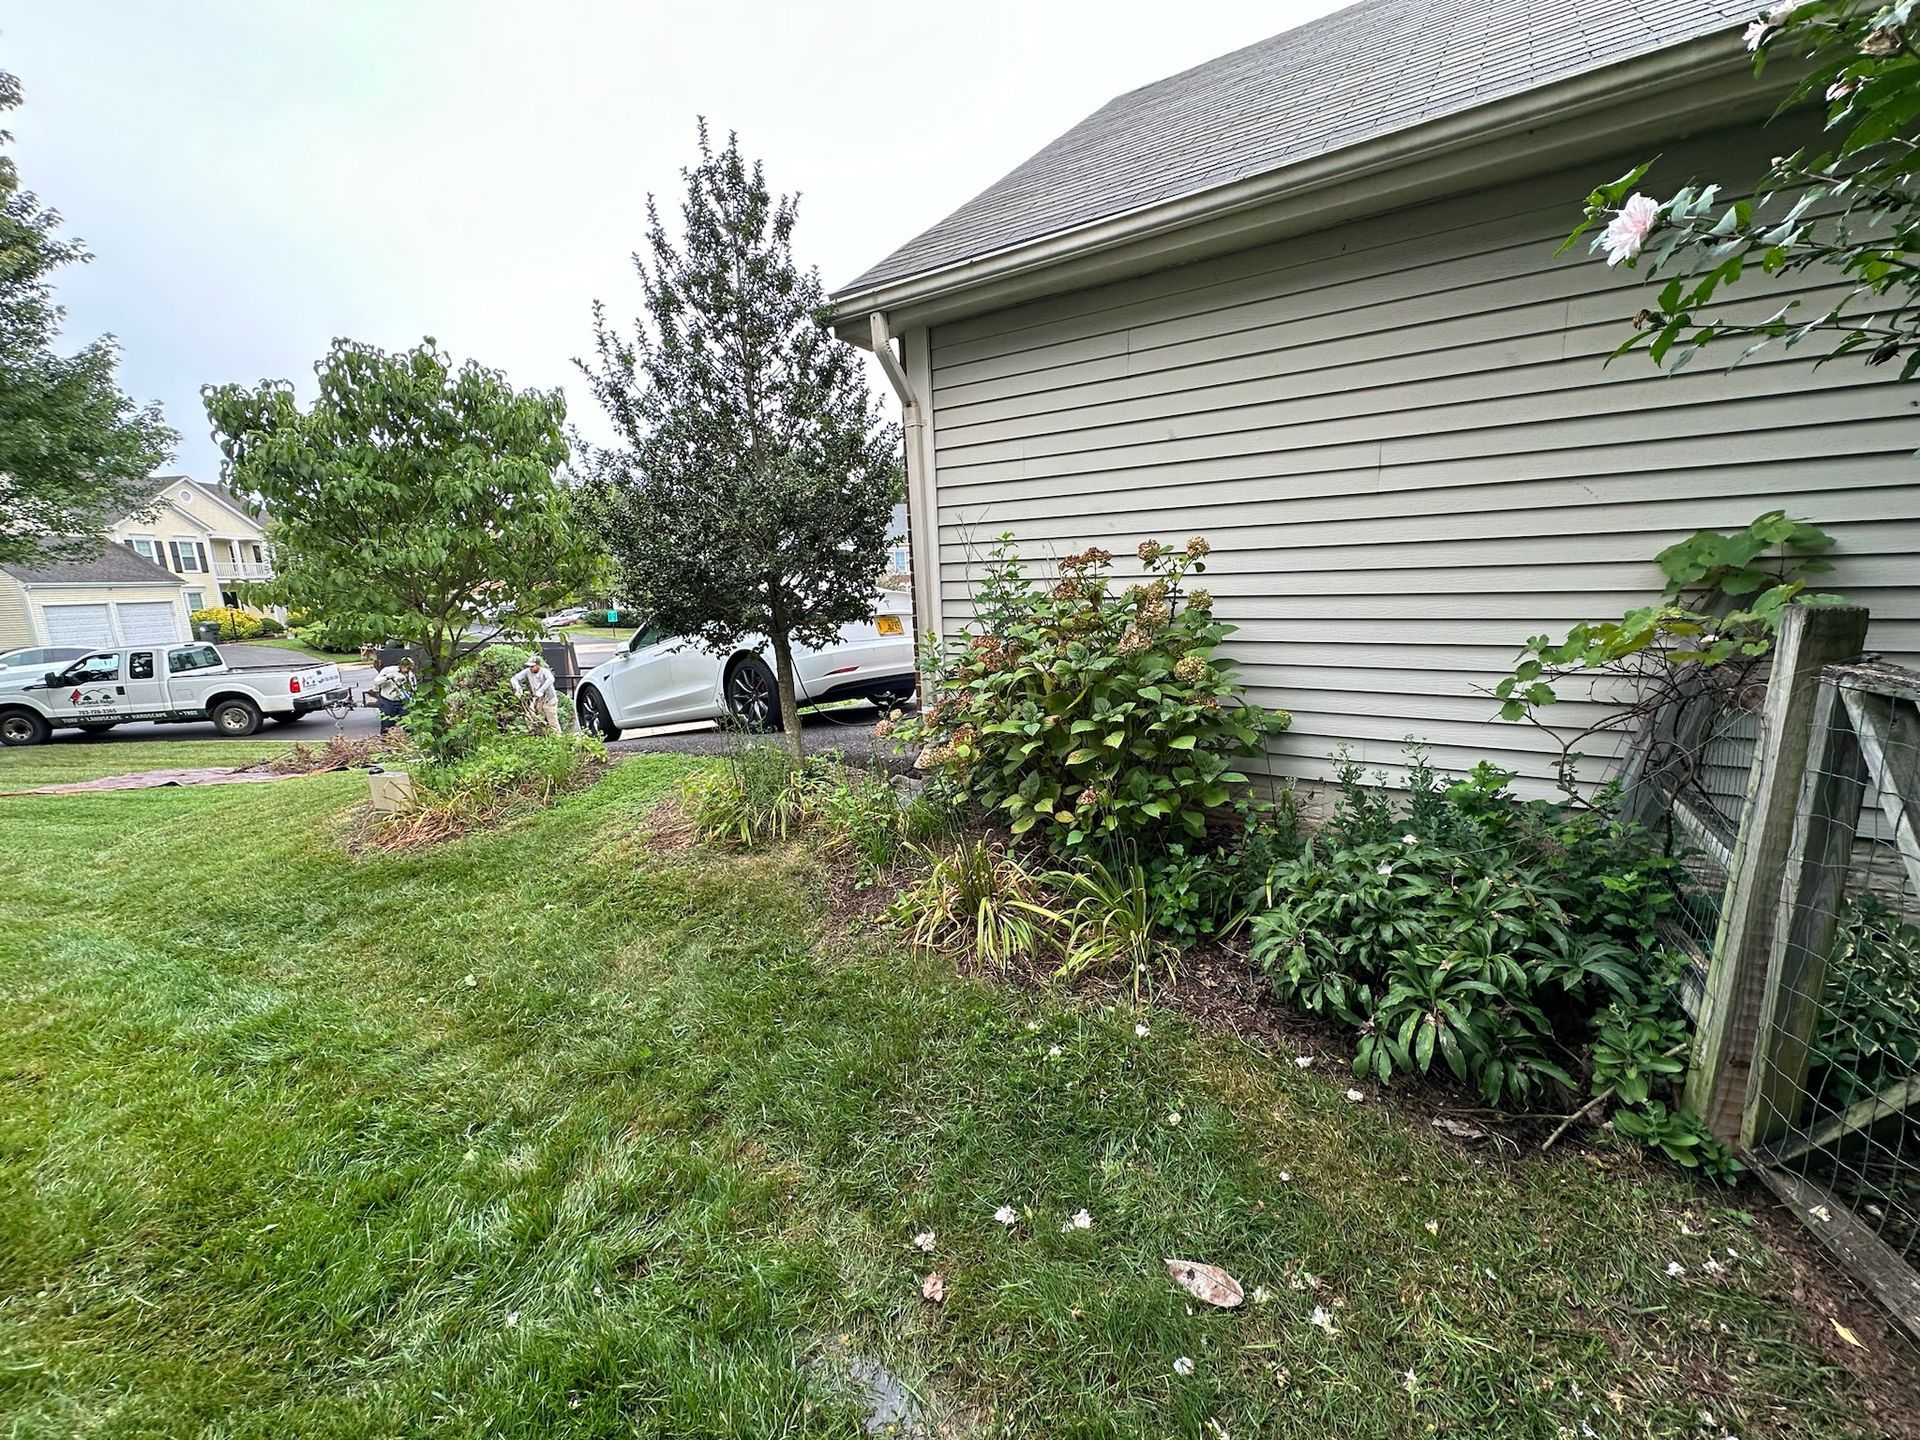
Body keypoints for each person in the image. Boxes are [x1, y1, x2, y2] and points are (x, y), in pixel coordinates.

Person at [510, 652, 560, 735]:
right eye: (529, 666)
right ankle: (536, 734)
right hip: (536, 698)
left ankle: (557, 737)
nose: (531, 668)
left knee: (552, 720)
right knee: (530, 716)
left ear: (538, 665)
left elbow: (551, 679)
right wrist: (518, 689)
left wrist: (541, 690)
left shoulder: (544, 672)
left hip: (549, 699)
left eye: (533, 666)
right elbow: (514, 678)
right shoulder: (528, 671)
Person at [371, 655, 416, 733]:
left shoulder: (410, 675)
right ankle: (385, 738)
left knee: (408, 723)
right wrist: (386, 678)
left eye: (410, 668)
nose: (408, 670)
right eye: (407, 668)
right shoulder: (388, 670)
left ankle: (408, 738)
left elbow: (414, 687)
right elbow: (376, 681)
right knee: (387, 723)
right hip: (388, 701)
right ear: (401, 665)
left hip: (403, 702)